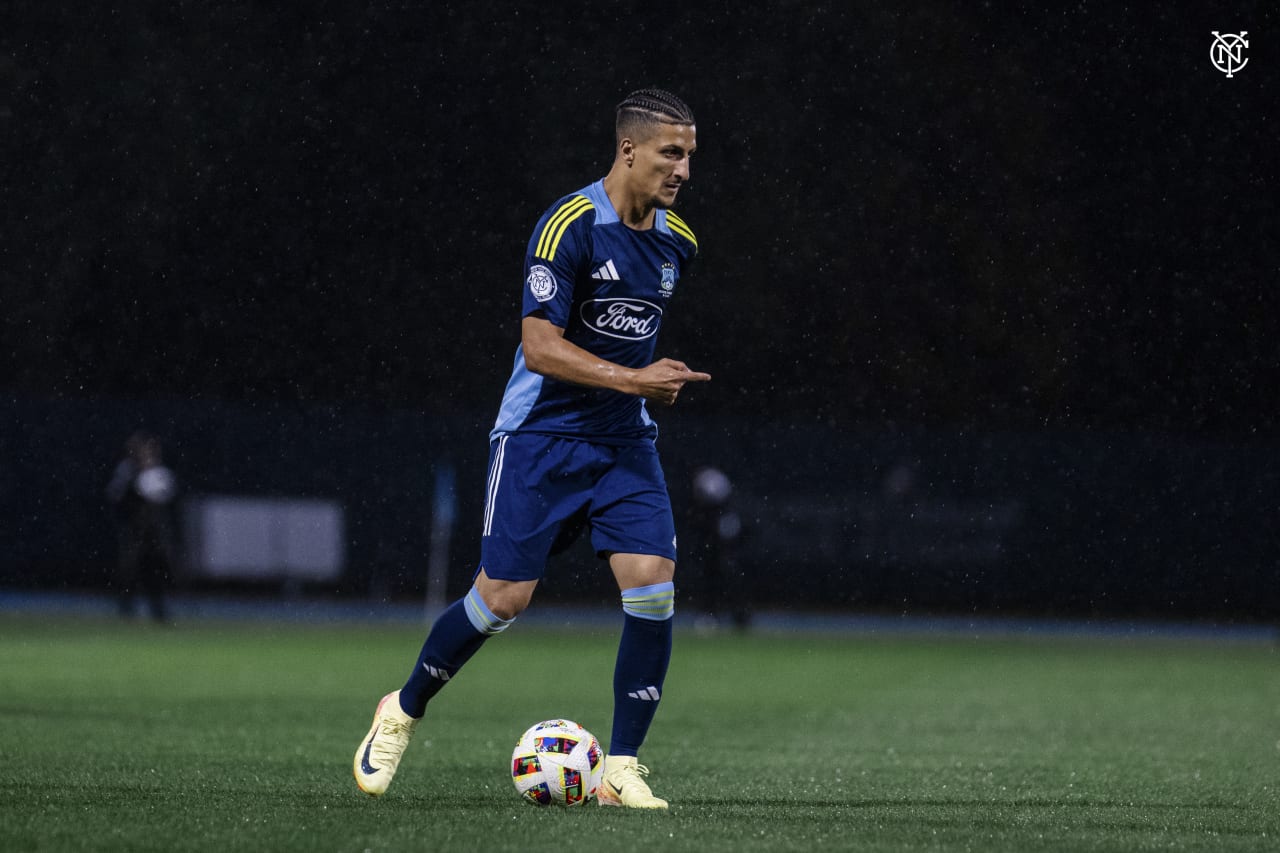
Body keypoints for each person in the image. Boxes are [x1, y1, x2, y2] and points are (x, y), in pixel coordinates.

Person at [354, 88, 708, 809]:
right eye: (672, 154)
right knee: (503, 599)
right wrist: (636, 379)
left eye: (691, 156)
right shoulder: (568, 226)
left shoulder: (679, 243)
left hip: (622, 442)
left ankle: (621, 767)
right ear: (629, 149)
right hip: (541, 436)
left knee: (653, 584)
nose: (684, 171)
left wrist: (639, 387)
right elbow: (540, 348)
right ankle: (402, 708)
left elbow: (626, 330)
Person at [105, 431, 178, 622]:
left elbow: (166, 496)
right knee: (129, 570)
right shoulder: (128, 470)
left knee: (155, 569)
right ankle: (126, 609)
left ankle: (158, 609)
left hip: (153, 531)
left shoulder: (159, 473)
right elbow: (116, 496)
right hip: (134, 529)